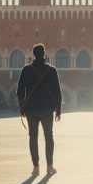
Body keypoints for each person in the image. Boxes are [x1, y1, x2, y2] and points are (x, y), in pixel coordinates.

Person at [17, 43, 62, 176]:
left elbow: (19, 91)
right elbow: (57, 92)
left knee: (33, 137)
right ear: (44, 54)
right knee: (49, 137)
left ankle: (36, 168)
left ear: (33, 54)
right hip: (48, 109)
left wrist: (22, 107)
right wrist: (58, 109)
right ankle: (49, 166)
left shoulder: (26, 70)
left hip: (31, 109)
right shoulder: (51, 70)